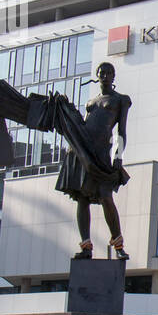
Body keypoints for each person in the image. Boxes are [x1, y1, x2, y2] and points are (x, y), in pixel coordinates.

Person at [57, 62, 132, 260]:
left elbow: (121, 132)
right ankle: (86, 246)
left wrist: (118, 156)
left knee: (106, 197)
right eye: (102, 73)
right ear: (97, 76)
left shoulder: (120, 100)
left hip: (101, 154)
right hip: (81, 151)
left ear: (114, 76)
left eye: (109, 73)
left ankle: (118, 244)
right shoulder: (91, 101)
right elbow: (81, 125)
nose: (105, 76)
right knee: (82, 198)